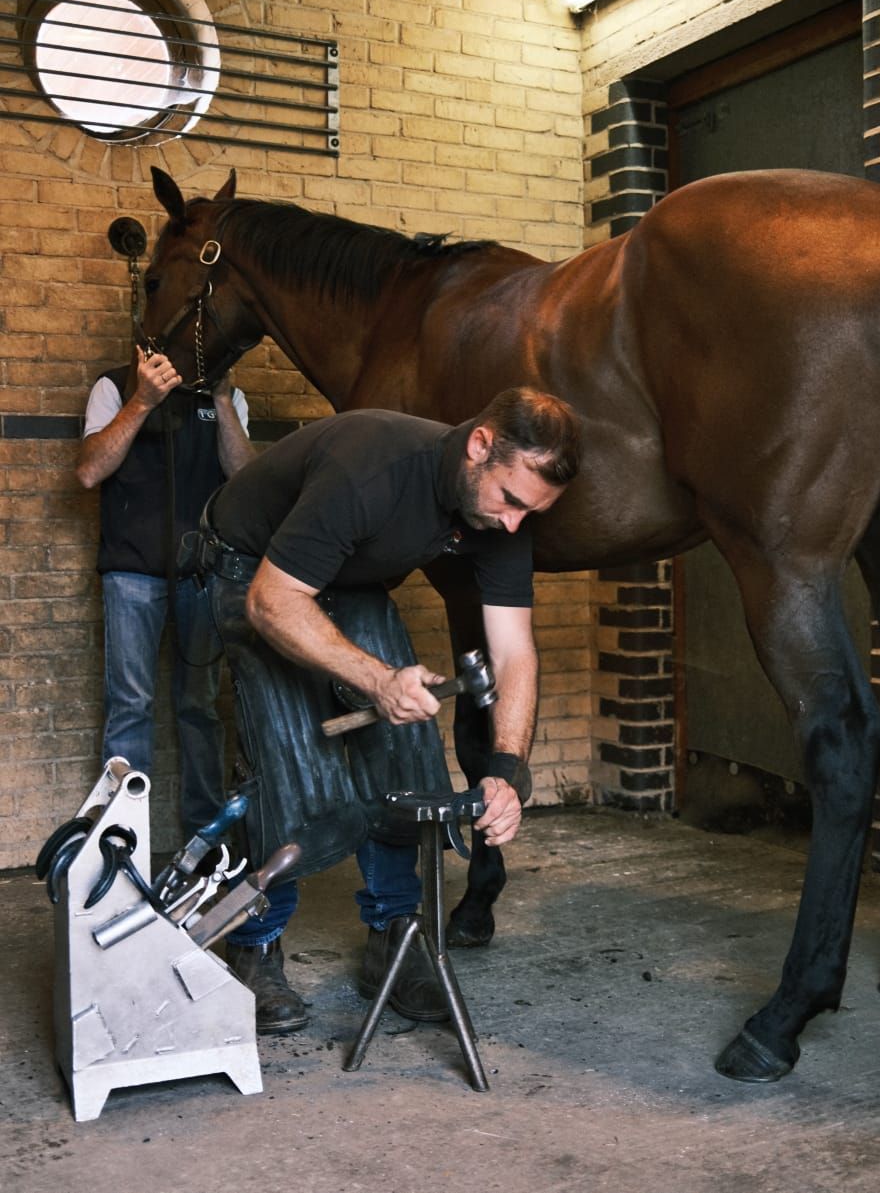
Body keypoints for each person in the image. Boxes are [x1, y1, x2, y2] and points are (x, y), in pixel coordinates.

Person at [196, 387, 581, 1035]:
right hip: (253, 573)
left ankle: (395, 939)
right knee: (289, 756)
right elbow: (272, 600)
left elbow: (513, 651)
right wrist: (377, 679)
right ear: (479, 445)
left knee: (406, 751)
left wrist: (507, 768)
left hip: (348, 579)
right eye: (512, 501)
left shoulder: (503, 510)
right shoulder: (373, 465)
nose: (516, 523)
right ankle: (255, 943)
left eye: (530, 510)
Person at [76, 346, 254, 835]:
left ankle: (204, 837)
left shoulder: (228, 395)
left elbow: (246, 480)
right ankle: (122, 839)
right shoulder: (114, 386)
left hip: (201, 574)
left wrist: (219, 399)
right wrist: (144, 401)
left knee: (199, 705)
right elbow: (89, 470)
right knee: (130, 704)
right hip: (131, 571)